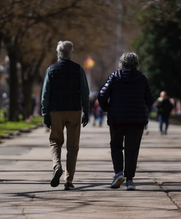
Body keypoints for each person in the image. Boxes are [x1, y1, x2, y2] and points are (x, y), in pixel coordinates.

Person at [98, 52, 154, 190]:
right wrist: (143, 108)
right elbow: (150, 100)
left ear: (121, 63)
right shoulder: (142, 79)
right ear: (136, 64)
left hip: (117, 119)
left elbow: (102, 95)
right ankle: (129, 180)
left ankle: (118, 174)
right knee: (132, 149)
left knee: (116, 145)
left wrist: (107, 108)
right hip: (137, 120)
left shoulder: (114, 77)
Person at [41, 41, 90, 191]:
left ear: (58, 53)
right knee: (73, 146)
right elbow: (85, 93)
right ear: (71, 53)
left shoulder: (51, 70)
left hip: (56, 110)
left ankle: (57, 166)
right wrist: (86, 111)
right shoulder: (78, 69)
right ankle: (68, 179)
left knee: (55, 141)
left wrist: (45, 112)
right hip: (74, 110)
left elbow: (45, 94)